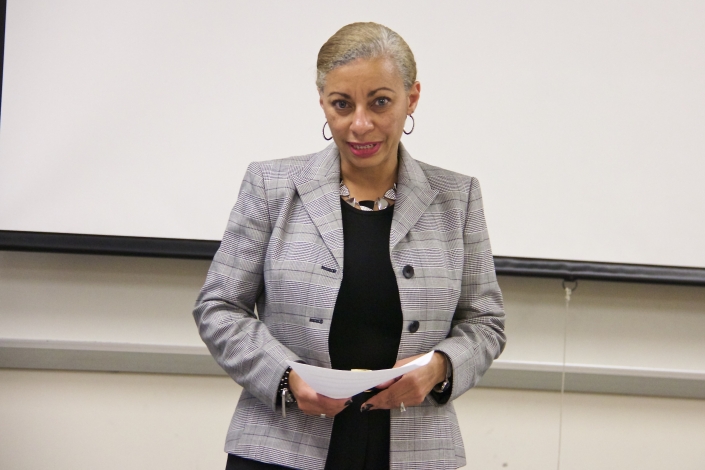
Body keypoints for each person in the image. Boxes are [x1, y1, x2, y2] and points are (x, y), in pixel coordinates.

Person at [193, 22, 506, 470]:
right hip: (281, 444)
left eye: (380, 102)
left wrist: (440, 368)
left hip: (414, 448)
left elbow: (485, 322)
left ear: (411, 98)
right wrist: (285, 374)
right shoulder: (270, 186)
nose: (360, 124)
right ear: (323, 102)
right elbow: (218, 306)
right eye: (342, 105)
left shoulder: (457, 198)